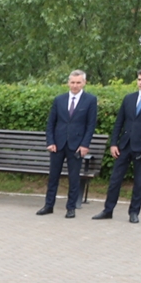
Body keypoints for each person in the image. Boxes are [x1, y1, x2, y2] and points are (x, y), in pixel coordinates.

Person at [95, 68, 141, 223]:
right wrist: (114, 143)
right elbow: (119, 122)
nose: (140, 82)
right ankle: (108, 210)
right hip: (125, 145)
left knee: (139, 182)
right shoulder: (129, 98)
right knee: (115, 179)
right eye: (139, 79)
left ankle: (134, 212)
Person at [39, 70, 98, 218]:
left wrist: (85, 145)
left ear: (84, 83)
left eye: (78, 82)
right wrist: (50, 141)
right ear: (68, 83)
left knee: (74, 177)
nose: (75, 85)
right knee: (53, 176)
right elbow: (51, 122)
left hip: (76, 145)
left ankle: (71, 207)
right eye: (72, 82)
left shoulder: (90, 100)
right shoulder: (59, 99)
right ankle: (48, 205)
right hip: (58, 144)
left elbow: (91, 125)